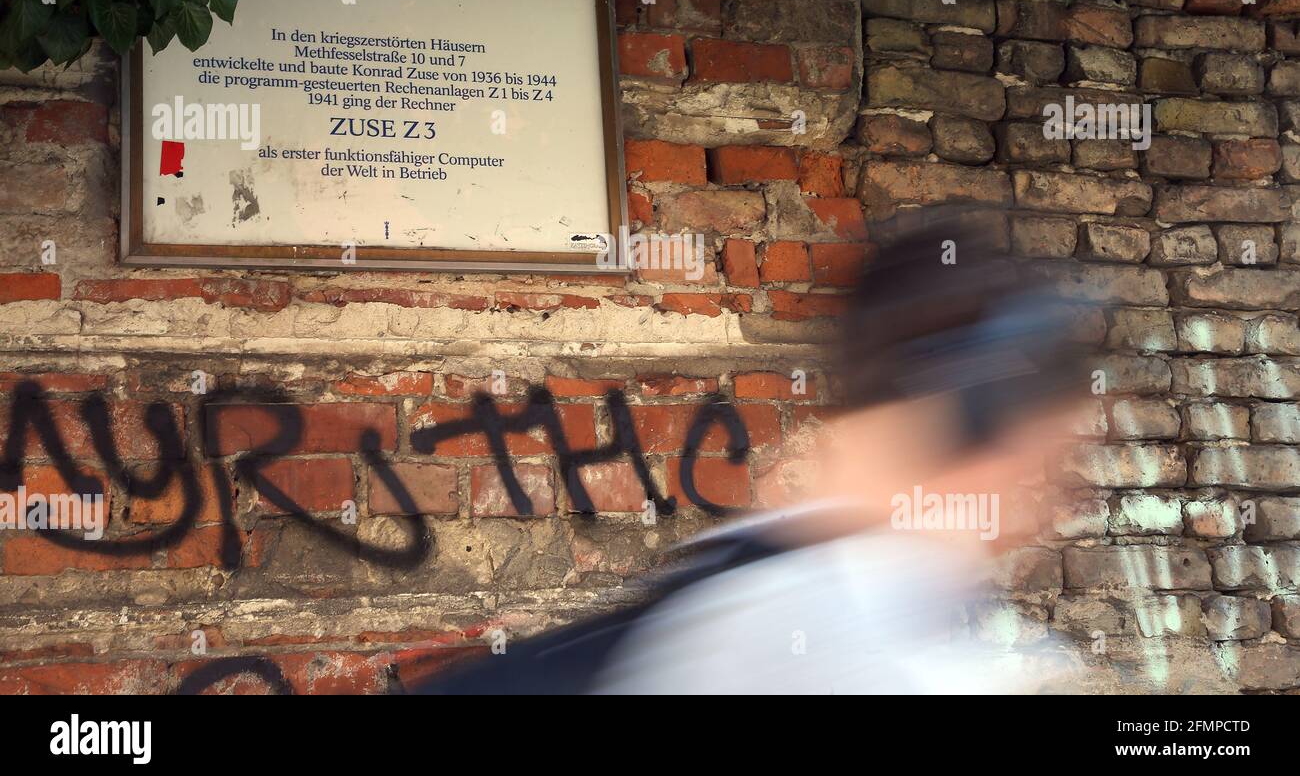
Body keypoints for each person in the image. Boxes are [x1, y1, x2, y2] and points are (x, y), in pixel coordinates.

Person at [412, 210, 1091, 694]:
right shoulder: (821, 631)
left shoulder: (767, 568)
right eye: (1049, 457)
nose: (1054, 503)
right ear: (964, 421)